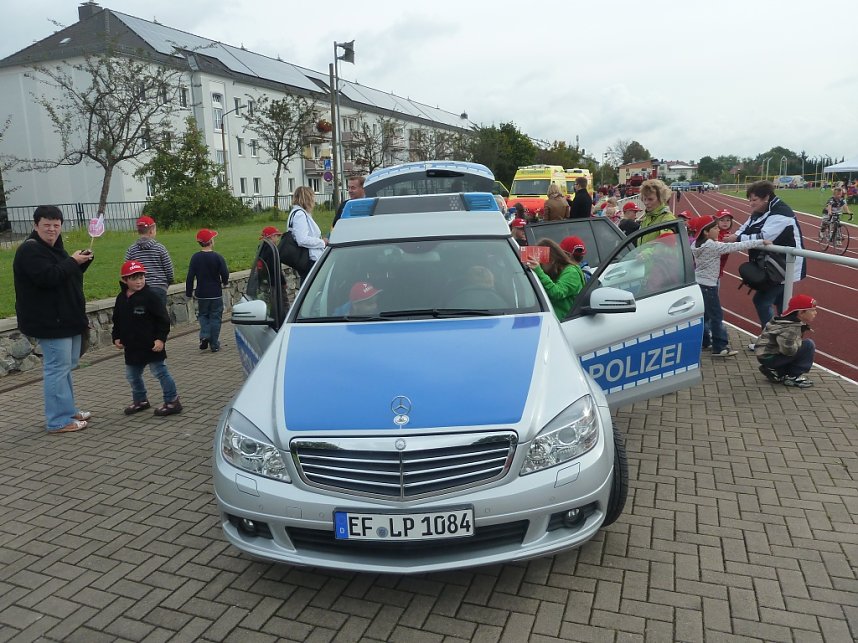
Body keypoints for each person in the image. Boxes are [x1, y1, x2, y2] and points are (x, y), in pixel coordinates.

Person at [13, 205, 94, 433]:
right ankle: (58, 421)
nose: (52, 229)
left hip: (66, 318)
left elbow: (64, 276)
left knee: (66, 366)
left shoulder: (55, 248)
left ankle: (67, 410)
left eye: (56, 225)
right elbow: (48, 277)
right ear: (35, 225)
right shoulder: (30, 250)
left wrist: (81, 262)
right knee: (57, 369)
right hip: (49, 322)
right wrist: (72, 262)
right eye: (46, 225)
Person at [724, 180, 806, 346]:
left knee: (762, 301)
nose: (751, 204)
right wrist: (735, 236)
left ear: (766, 197)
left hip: (784, 265)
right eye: (749, 200)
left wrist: (736, 239)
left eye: (754, 200)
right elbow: (745, 227)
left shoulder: (781, 213)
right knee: (783, 306)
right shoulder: (760, 211)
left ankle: (770, 342)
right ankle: (784, 342)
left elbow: (764, 236)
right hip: (774, 264)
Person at [689, 216, 770, 357]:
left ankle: (705, 341)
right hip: (709, 286)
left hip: (699, 283)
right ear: (706, 232)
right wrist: (760, 241)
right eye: (715, 228)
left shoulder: (696, 244)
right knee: (716, 316)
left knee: (705, 315)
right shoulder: (712, 246)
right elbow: (736, 246)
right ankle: (720, 347)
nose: (718, 230)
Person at [112, 260, 182, 416]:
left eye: (141, 277)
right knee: (132, 375)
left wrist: (160, 339)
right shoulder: (121, 298)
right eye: (134, 278)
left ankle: (172, 401)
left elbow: (163, 320)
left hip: (152, 345)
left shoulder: (151, 296)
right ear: (125, 280)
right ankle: (140, 400)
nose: (139, 281)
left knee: (160, 372)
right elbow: (117, 319)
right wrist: (116, 336)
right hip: (132, 347)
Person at [755, 294, 818, 389]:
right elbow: (788, 350)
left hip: (765, 355)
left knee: (798, 348)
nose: (815, 313)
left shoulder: (783, 320)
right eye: (812, 310)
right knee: (808, 345)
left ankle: (776, 371)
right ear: (801, 313)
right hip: (769, 357)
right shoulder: (791, 328)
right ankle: (792, 377)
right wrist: (798, 344)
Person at [185, 229, 230, 353]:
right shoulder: (217, 257)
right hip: (215, 293)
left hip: (202, 294)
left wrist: (188, 292)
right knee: (215, 318)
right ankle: (214, 345)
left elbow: (190, 277)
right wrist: (225, 282)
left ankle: (204, 335)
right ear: (211, 241)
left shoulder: (195, 258)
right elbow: (225, 273)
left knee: (203, 315)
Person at [524, 238, 586, 321]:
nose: (540, 266)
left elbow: (557, 293)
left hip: (568, 322)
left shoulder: (572, 272)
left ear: (551, 260)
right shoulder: (553, 272)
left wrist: (539, 271)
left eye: (541, 263)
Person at [125, 215, 174, 307]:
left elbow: (126, 270)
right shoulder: (160, 248)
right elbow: (169, 270)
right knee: (159, 314)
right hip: (159, 288)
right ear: (152, 231)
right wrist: (168, 282)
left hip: (139, 289)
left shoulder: (131, 250)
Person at [287, 186, 327, 282]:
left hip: (307, 258)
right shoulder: (300, 214)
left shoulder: (297, 213)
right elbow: (302, 239)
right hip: (309, 258)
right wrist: (322, 242)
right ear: (308, 199)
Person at [714, 209, 735, 277]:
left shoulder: (728, 234)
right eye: (722, 220)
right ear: (716, 221)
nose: (725, 222)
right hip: (711, 271)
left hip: (719, 269)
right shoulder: (714, 233)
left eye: (728, 220)